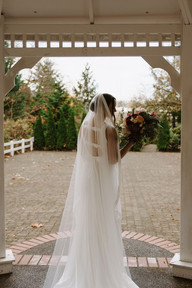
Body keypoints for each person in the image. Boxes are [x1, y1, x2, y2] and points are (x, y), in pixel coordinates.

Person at [43, 93, 139, 288]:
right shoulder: (109, 130)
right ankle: (103, 274)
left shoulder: (85, 127)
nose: (114, 110)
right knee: (104, 224)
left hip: (88, 184)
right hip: (102, 185)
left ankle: (85, 275)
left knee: (87, 226)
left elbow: (87, 157)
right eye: (113, 106)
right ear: (105, 107)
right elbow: (113, 160)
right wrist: (130, 143)